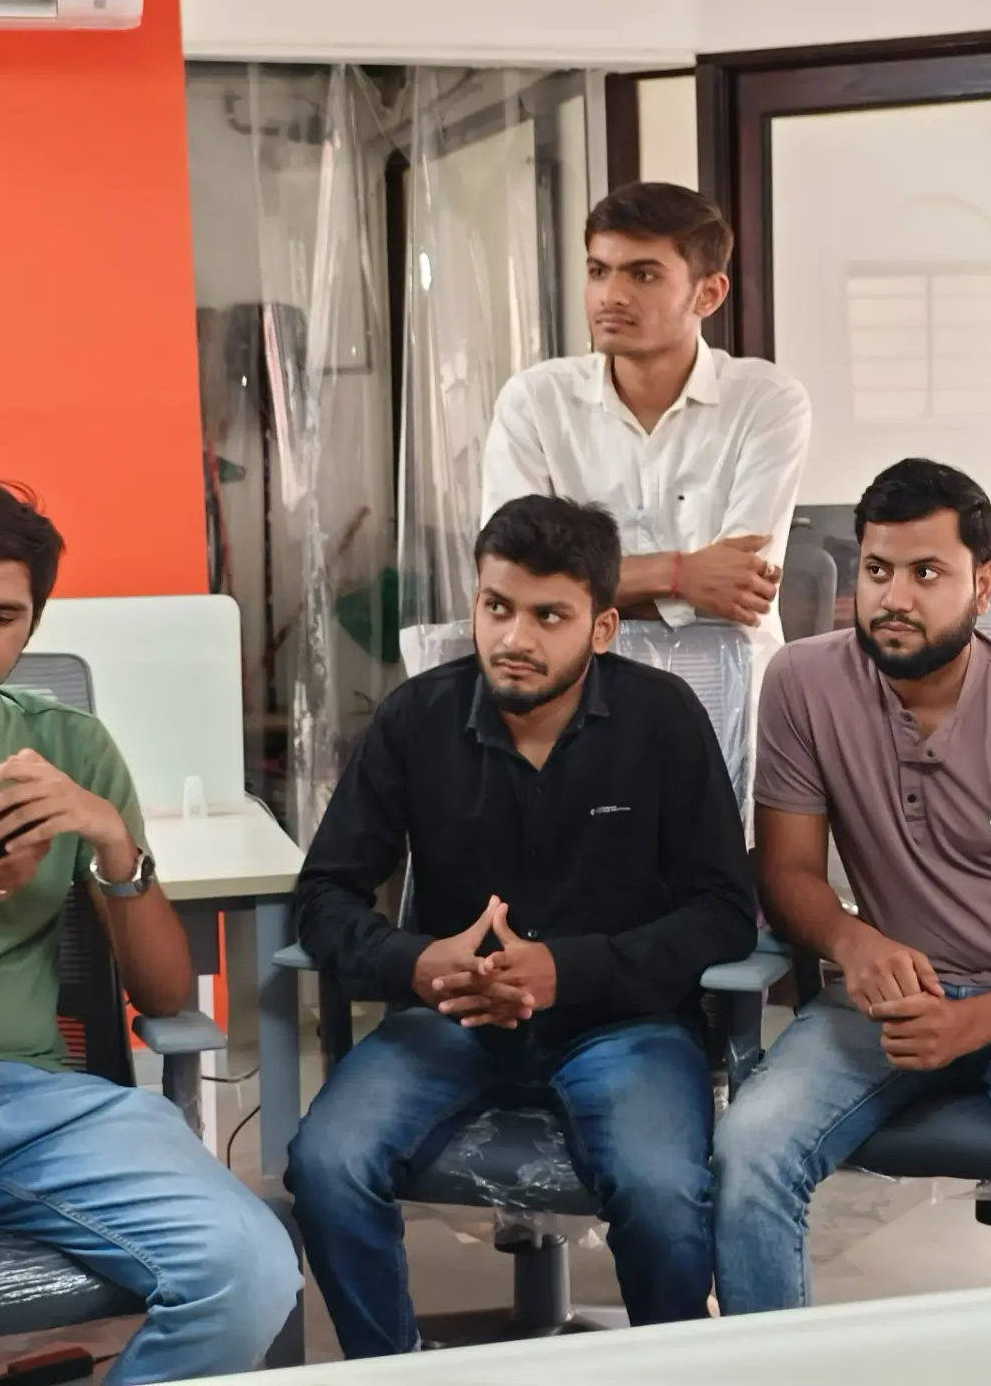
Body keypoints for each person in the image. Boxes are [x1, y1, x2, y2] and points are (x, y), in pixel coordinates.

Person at [0, 482, 299, 1386]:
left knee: (252, 1273)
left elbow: (164, 996)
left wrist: (113, 844)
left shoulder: (71, 748)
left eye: (2, 617)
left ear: (31, 624)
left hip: (40, 1104)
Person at [286, 494, 757, 1355]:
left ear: (603, 628)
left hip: (623, 1025)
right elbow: (323, 896)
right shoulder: (417, 717)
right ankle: (390, 1372)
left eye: (549, 617)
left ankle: (673, 1370)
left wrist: (567, 970)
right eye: (497, 606)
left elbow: (725, 912)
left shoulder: (662, 720)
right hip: (451, 1016)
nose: (514, 637)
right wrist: (415, 961)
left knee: (659, 1193)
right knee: (326, 1164)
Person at [713, 459, 991, 1313]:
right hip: (894, 996)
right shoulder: (803, 685)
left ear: (982, 585)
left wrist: (969, 1025)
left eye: (927, 573)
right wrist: (853, 941)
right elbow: (787, 872)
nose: (894, 598)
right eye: (878, 570)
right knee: (749, 1152)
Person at [480, 181, 812, 636]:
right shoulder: (535, 401)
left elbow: (738, 588)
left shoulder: (766, 401)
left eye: (643, 275)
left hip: (726, 672)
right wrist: (679, 575)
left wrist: (576, 588)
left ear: (708, 294)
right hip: (578, 674)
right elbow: (511, 579)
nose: (610, 296)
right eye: (598, 271)